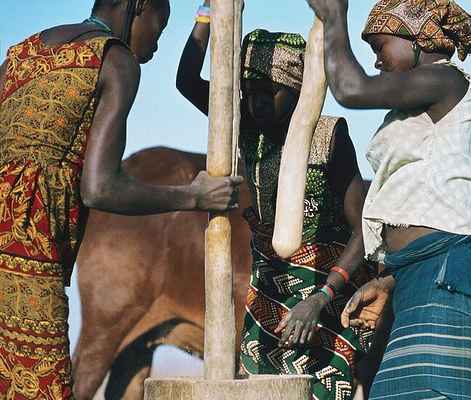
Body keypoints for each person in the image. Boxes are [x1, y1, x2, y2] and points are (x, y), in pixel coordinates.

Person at [0, 0, 242, 398]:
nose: (155, 46)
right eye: (159, 29)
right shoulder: (115, 61)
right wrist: (194, 197)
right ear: (138, 6)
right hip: (26, 248)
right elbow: (100, 187)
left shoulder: (23, 52)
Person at [304, 0, 471, 398]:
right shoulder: (415, 109)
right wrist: (390, 280)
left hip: (449, 276)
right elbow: (407, 200)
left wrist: (334, 16)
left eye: (380, 48)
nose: (377, 61)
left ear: (416, 38)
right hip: (419, 279)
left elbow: (350, 88)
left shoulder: (447, 82)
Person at [176, 4, 376, 399]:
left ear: (297, 87)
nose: (258, 103)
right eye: (250, 93)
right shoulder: (246, 128)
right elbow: (186, 80)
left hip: (328, 282)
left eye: (270, 91)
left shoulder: (329, 136)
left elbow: (364, 228)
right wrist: (208, 14)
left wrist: (323, 296)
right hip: (268, 283)